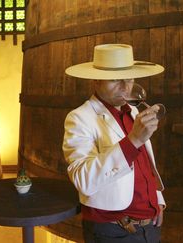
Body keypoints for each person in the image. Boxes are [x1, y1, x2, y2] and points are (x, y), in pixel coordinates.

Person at [62, 44, 166, 243]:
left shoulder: (133, 111)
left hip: (150, 225)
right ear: (96, 81)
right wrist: (133, 140)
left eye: (129, 78)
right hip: (114, 231)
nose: (126, 87)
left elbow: (144, 164)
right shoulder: (79, 118)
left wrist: (157, 199)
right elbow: (84, 180)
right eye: (116, 79)